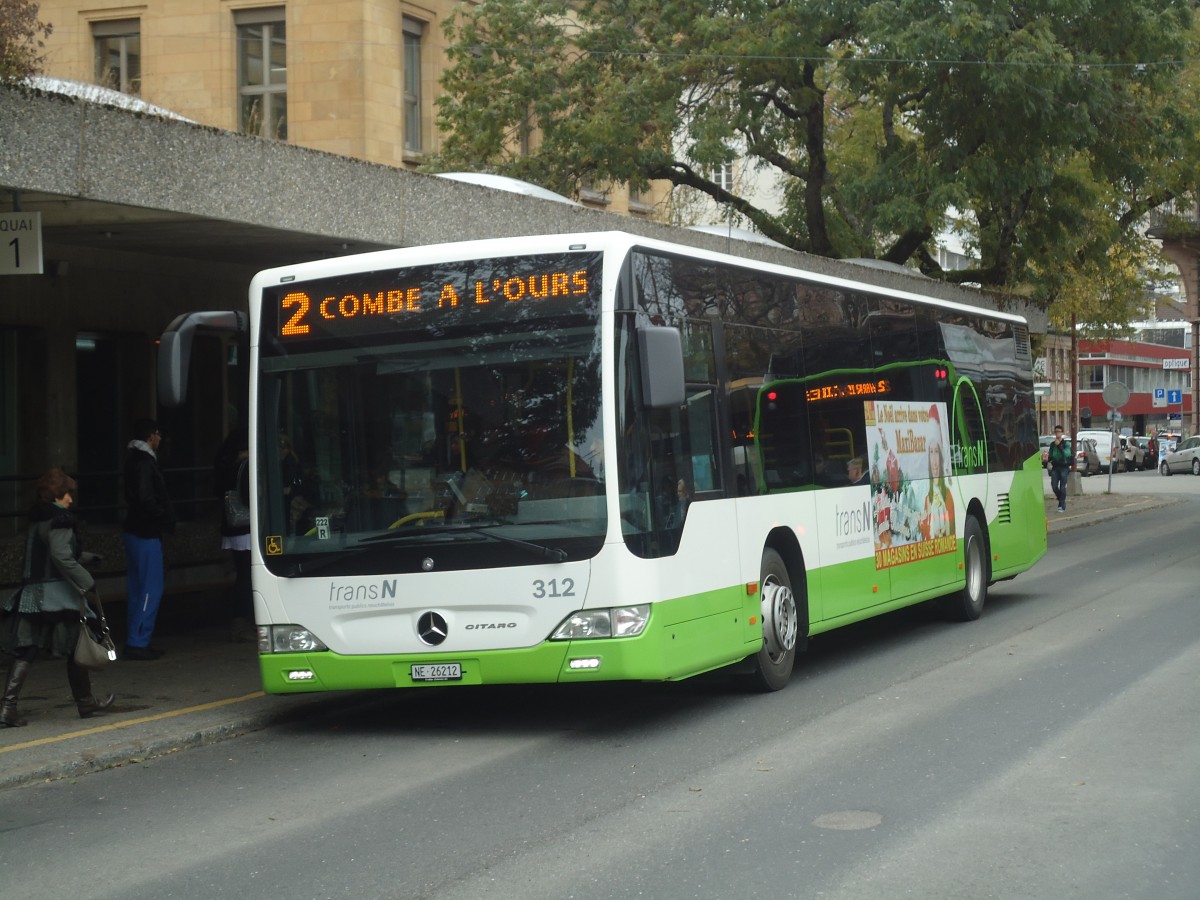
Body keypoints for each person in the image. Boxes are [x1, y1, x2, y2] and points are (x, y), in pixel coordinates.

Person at [1, 469, 114, 726]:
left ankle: (7, 708)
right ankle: (85, 701)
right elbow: (61, 556)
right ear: (56, 494)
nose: (70, 499)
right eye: (67, 494)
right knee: (76, 646)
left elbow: (53, 553)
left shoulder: (38, 520)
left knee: (26, 650)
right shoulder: (60, 520)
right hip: (57, 596)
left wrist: (87, 558)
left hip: (32, 594)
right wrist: (87, 581)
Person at [122, 418, 176, 660]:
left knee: (137, 588)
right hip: (146, 531)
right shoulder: (145, 462)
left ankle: (135, 638)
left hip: (134, 529)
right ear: (151, 436)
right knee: (150, 589)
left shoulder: (132, 459)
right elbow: (146, 497)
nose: (160, 438)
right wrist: (163, 515)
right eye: (158, 434)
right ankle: (139, 641)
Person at [214, 426, 254, 643]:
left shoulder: (225, 464)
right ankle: (241, 622)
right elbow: (249, 497)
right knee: (247, 576)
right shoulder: (245, 466)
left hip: (231, 527)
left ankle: (240, 621)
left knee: (242, 574)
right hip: (245, 527)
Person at [1047, 424, 1072, 513]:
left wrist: (1059, 446)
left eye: (1059, 432)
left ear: (1062, 433)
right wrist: (1046, 458)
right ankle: (1061, 499)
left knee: (1062, 487)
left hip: (1064, 467)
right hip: (1055, 467)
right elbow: (1051, 456)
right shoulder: (1052, 444)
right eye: (1056, 432)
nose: (1057, 433)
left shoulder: (1066, 443)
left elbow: (1067, 454)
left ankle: (1061, 505)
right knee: (1054, 486)